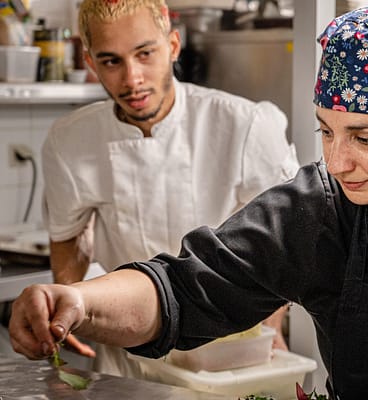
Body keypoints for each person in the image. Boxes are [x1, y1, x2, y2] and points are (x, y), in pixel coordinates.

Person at [10, 6, 368, 399]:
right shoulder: (318, 209)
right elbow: (183, 289)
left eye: (365, 139)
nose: (337, 162)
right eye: (326, 132)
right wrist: (79, 301)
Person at [38, 0, 298, 380]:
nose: (132, 79)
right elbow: (68, 237)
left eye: (145, 54)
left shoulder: (245, 125)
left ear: (173, 46)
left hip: (230, 350)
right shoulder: (69, 140)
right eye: (111, 61)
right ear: (90, 62)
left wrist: (267, 331)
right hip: (126, 352)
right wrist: (69, 304)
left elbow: (280, 244)